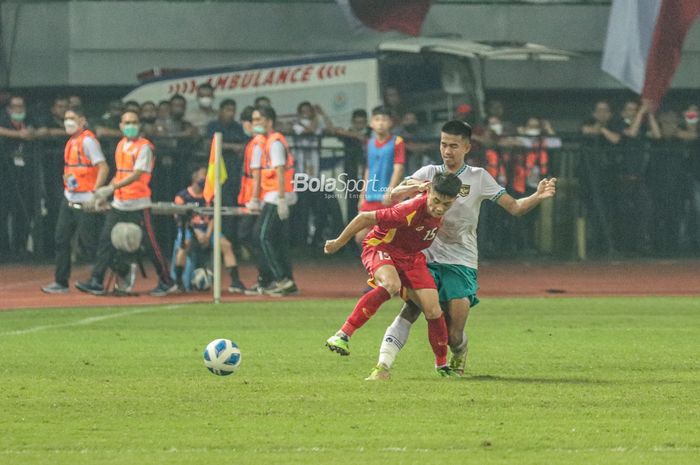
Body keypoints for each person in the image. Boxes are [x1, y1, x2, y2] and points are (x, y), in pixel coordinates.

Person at [365, 120, 557, 380]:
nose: (447, 151)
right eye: (444, 144)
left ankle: (460, 351)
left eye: (454, 146)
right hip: (425, 259)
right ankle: (383, 366)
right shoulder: (429, 172)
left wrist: (537, 196)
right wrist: (413, 187)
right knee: (411, 309)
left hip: (461, 262)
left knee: (453, 334)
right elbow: (391, 197)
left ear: (467, 147)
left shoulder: (479, 178)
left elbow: (515, 208)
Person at [324, 171, 463, 377]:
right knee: (391, 285)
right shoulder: (408, 210)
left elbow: (410, 185)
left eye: (446, 204)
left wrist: (413, 185)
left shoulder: (432, 192)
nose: (439, 208)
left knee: (434, 310)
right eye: (436, 201)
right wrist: (338, 243)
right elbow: (364, 218)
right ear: (430, 192)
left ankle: (442, 366)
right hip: (382, 247)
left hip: (412, 257)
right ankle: (342, 335)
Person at [75, 110, 178, 296]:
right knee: (106, 242)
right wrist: (104, 192)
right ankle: (96, 280)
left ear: (139, 125)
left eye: (134, 122)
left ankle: (166, 280)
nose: (131, 126)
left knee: (151, 244)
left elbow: (137, 174)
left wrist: (111, 188)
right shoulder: (121, 145)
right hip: (120, 202)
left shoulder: (145, 147)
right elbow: (121, 173)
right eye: (127, 122)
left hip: (138, 203)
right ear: (121, 126)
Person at [41, 107, 109, 293]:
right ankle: (61, 281)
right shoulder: (71, 142)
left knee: (89, 243)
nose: (67, 122)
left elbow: (103, 167)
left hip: (86, 199)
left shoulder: (87, 141)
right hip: (70, 197)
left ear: (82, 120)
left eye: (72, 118)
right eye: (66, 118)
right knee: (61, 239)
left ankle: (100, 278)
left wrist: (96, 193)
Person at [244, 105, 298, 296]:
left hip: (278, 195)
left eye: (258, 120)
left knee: (261, 236)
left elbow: (280, 172)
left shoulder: (274, 142)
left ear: (269, 121)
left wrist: (282, 199)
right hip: (272, 195)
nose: (255, 124)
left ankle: (281, 279)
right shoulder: (266, 142)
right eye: (254, 120)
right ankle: (281, 279)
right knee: (272, 239)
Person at [173, 168, 247, 293]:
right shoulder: (182, 196)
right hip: (190, 229)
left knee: (226, 245)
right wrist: (196, 232)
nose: (206, 179)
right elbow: (180, 219)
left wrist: (207, 235)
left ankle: (235, 281)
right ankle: (178, 282)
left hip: (208, 230)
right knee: (184, 245)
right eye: (203, 176)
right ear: (195, 177)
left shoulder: (210, 195)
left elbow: (214, 217)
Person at [355, 105, 405, 246]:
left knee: (390, 237)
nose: (381, 123)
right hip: (370, 197)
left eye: (384, 119)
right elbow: (368, 170)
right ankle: (375, 265)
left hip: (388, 198)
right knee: (360, 237)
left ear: (390, 122)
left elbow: (398, 168)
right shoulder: (369, 143)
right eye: (377, 119)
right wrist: (362, 195)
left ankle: (388, 265)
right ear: (371, 123)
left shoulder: (397, 141)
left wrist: (390, 191)